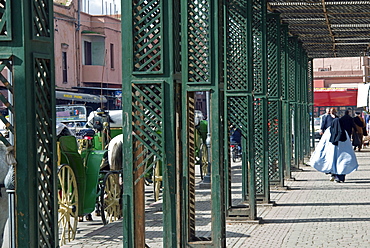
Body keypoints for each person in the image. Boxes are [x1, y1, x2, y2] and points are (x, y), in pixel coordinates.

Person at [309, 113, 359, 183]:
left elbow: (323, 142)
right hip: (343, 153)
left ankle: (334, 175)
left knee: (332, 163)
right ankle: (340, 177)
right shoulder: (344, 132)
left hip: (330, 151)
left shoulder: (329, 131)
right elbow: (348, 144)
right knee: (342, 164)